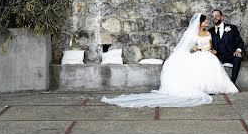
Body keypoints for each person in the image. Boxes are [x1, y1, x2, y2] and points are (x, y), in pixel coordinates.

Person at [100, 14, 237, 108]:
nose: (208, 22)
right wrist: (196, 49)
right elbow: (187, 47)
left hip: (208, 54)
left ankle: (216, 87)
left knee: (212, 64)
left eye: (208, 21)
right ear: (200, 22)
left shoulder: (208, 33)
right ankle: (203, 88)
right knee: (199, 67)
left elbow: (211, 46)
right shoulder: (192, 34)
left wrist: (211, 50)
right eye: (206, 21)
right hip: (198, 54)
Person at [210, 8, 245, 84]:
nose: (214, 18)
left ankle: (232, 83)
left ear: (222, 17)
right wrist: (211, 50)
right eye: (213, 16)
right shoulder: (210, 31)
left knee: (237, 58)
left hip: (231, 54)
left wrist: (238, 51)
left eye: (217, 16)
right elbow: (208, 45)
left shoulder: (232, 28)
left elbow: (240, 41)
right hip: (218, 56)